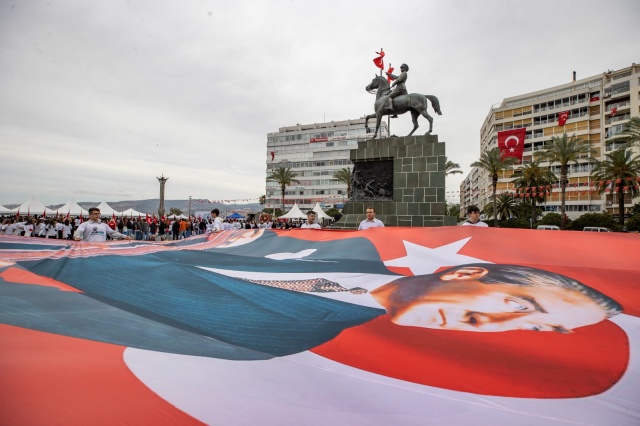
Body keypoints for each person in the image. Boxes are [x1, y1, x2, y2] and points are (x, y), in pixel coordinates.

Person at [370, 263, 621, 333]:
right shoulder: (359, 253)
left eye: (533, 327)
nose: (491, 323)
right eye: (517, 304)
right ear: (465, 274)